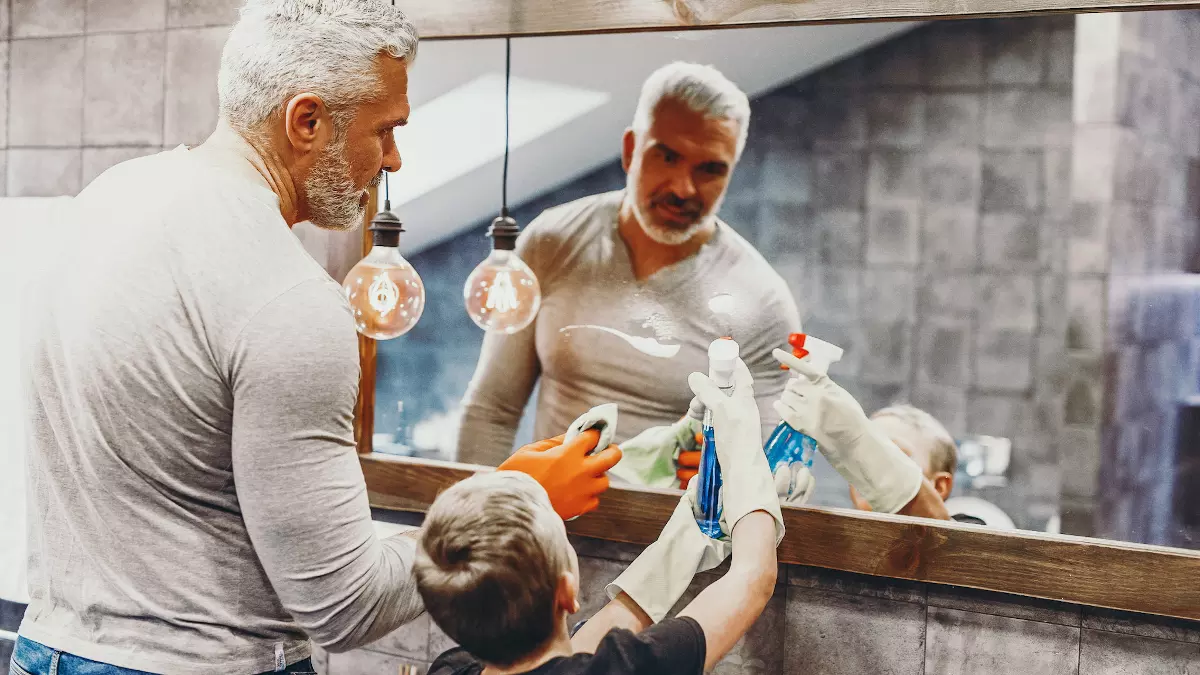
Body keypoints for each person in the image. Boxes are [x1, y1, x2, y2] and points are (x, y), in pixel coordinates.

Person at [14, 2, 617, 674]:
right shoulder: (288, 297)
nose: (392, 158)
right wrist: (515, 497)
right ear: (306, 121)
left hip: (48, 647)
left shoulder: (101, 202)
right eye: (384, 131)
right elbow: (342, 601)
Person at [456, 61, 802, 468]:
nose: (683, 187)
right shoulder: (551, 241)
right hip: (547, 525)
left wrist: (727, 473)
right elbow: (491, 410)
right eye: (667, 156)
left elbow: (769, 474)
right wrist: (474, 524)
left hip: (681, 531)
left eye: (709, 169)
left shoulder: (762, 302)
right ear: (629, 150)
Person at [416, 357, 784, 675]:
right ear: (568, 590)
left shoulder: (452, 667)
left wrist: (681, 545)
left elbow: (582, 657)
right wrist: (743, 444)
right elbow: (754, 579)